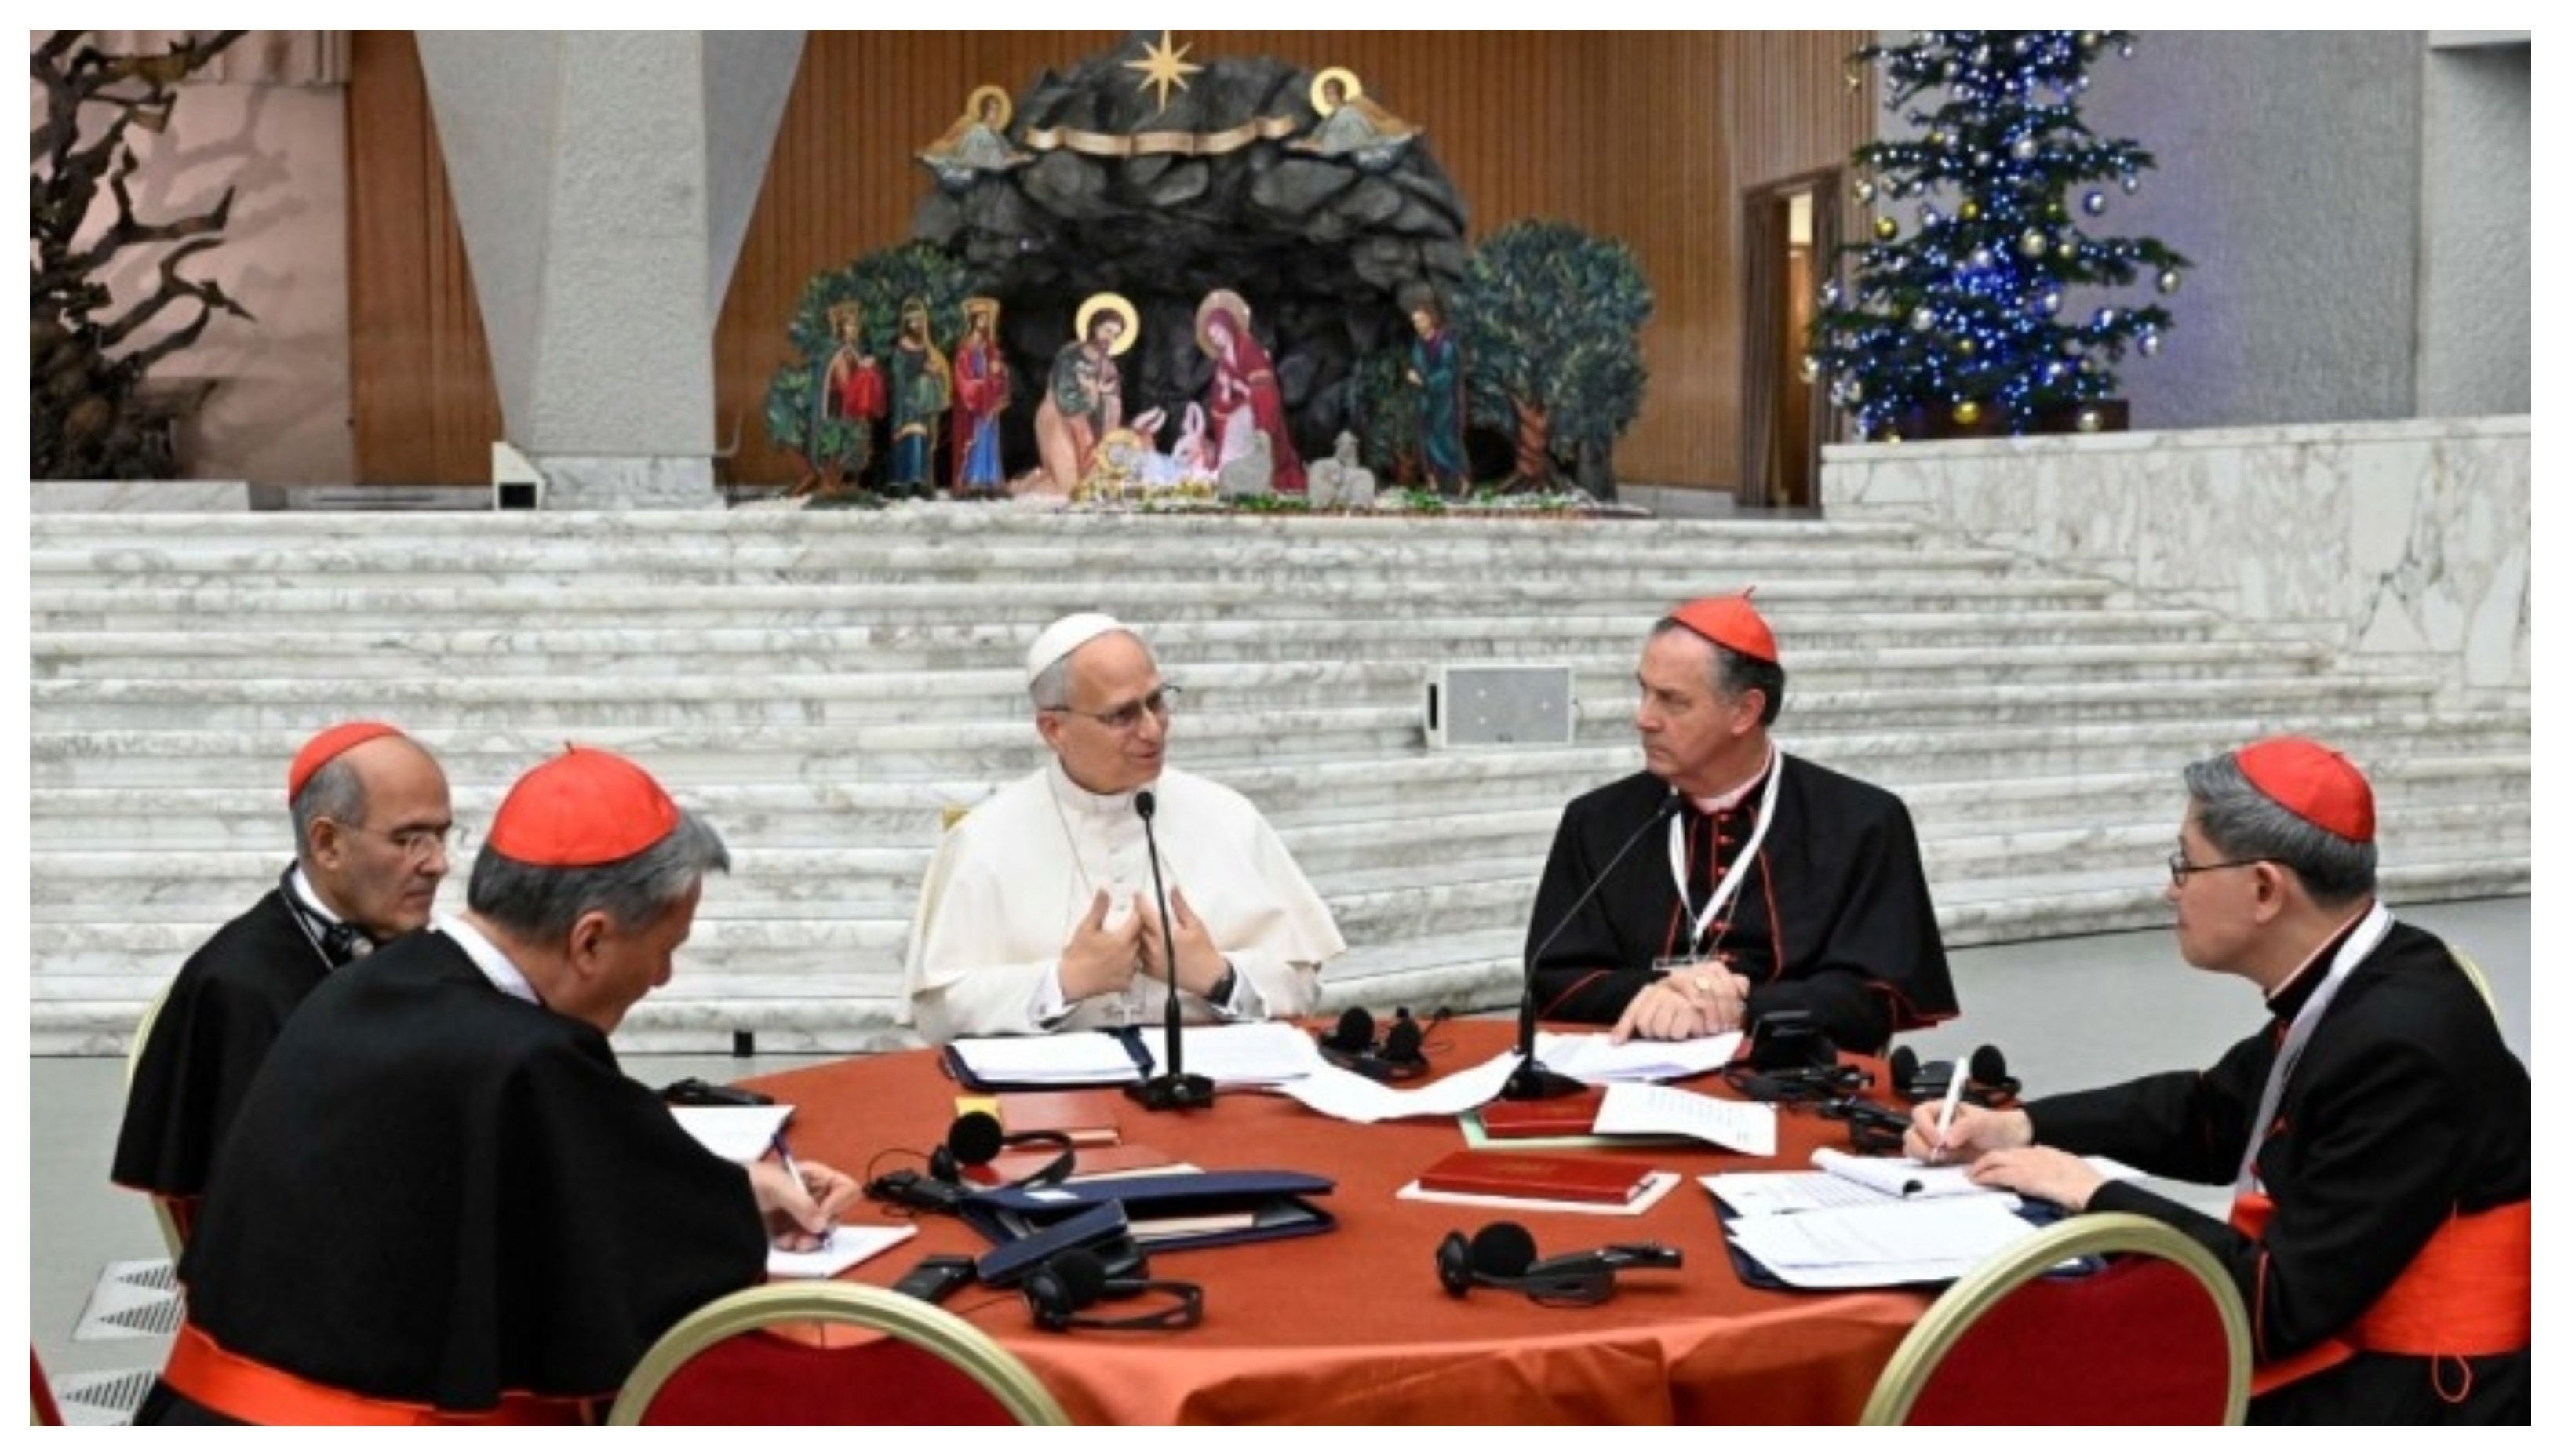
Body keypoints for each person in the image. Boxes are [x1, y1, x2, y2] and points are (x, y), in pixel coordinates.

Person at [137, 746, 854, 1424]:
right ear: (590, 939)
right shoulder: (525, 1059)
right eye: (666, 950)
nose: (662, 979)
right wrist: (730, 1217)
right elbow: (635, 1271)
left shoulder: (362, 986)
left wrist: (735, 1189)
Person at [1912, 737, 2528, 1425]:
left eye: (2186, 864)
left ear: (2264, 889)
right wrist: (2021, 1126)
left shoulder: (2398, 1043)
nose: (2170, 888)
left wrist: (2093, 1194)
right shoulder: (2362, 973)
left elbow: (2275, 1308)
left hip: (2419, 1396)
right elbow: (2213, 1111)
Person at [1523, 592, 1956, 1054]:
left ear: (1745, 711)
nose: (1643, 718)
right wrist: (1661, 992)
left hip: (1796, 1074)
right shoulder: (1596, 821)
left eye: (1672, 700)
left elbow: (1876, 998)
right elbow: (1552, 980)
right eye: (1643, 690)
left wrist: (1745, 1006)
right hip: (1629, 1070)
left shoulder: (1863, 822)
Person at [903, 613, 1344, 1041]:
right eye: (1122, 715)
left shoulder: (1230, 817)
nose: (1153, 730)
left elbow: (1302, 986)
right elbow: (937, 1014)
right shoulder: (983, 839)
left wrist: (1217, 976)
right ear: (1054, 729)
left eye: (1156, 701)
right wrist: (1063, 983)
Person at [112, 721, 453, 1237]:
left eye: (441, 835)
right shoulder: (239, 989)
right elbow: (260, 1216)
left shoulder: (412, 941)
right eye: (408, 840)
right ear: (327, 843)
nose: (438, 864)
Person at [1197, 291, 1306, 495]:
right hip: (1233, 415)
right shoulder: (1223, 362)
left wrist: (1241, 389)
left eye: (1218, 333)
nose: (1216, 339)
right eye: (1212, 337)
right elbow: (1220, 399)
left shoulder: (1249, 350)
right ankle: (1230, 475)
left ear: (1228, 327)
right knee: (1231, 440)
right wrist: (1227, 391)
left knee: (1247, 430)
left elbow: (1265, 389)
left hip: (1254, 412)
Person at [1031, 294, 1135, 494]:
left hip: (1089, 428)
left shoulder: (1109, 367)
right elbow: (1065, 398)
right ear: (1094, 327)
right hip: (1059, 420)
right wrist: (1095, 391)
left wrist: (1106, 399)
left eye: (1116, 335)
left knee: (1088, 486)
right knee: (1067, 487)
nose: (1110, 339)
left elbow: (1113, 405)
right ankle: (1021, 489)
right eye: (1107, 330)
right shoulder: (1070, 353)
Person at [885, 297, 950, 495]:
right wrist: (921, 375)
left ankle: (920, 480)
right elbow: (898, 378)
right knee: (907, 438)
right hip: (906, 402)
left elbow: (939, 372)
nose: (916, 324)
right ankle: (904, 481)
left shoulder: (927, 348)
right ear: (906, 323)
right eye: (912, 321)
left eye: (919, 320)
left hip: (923, 402)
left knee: (922, 439)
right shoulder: (901, 349)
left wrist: (934, 373)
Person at [949, 296, 1010, 494]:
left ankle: (990, 478)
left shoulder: (990, 347)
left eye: (986, 319)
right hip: (974, 406)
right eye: (980, 318)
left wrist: (999, 372)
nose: (984, 322)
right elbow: (963, 380)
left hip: (989, 402)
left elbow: (1000, 373)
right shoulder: (965, 349)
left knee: (989, 439)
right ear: (973, 320)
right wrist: (981, 385)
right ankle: (973, 479)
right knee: (976, 439)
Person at [1406, 298, 1466, 492]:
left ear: (1431, 319)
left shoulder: (1445, 344)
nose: (1418, 325)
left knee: (1446, 441)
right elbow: (1416, 366)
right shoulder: (1418, 345)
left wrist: (1423, 381)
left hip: (1444, 402)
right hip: (1426, 402)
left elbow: (1448, 373)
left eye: (1421, 320)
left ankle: (1461, 480)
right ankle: (1434, 480)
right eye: (1415, 322)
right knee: (1427, 440)